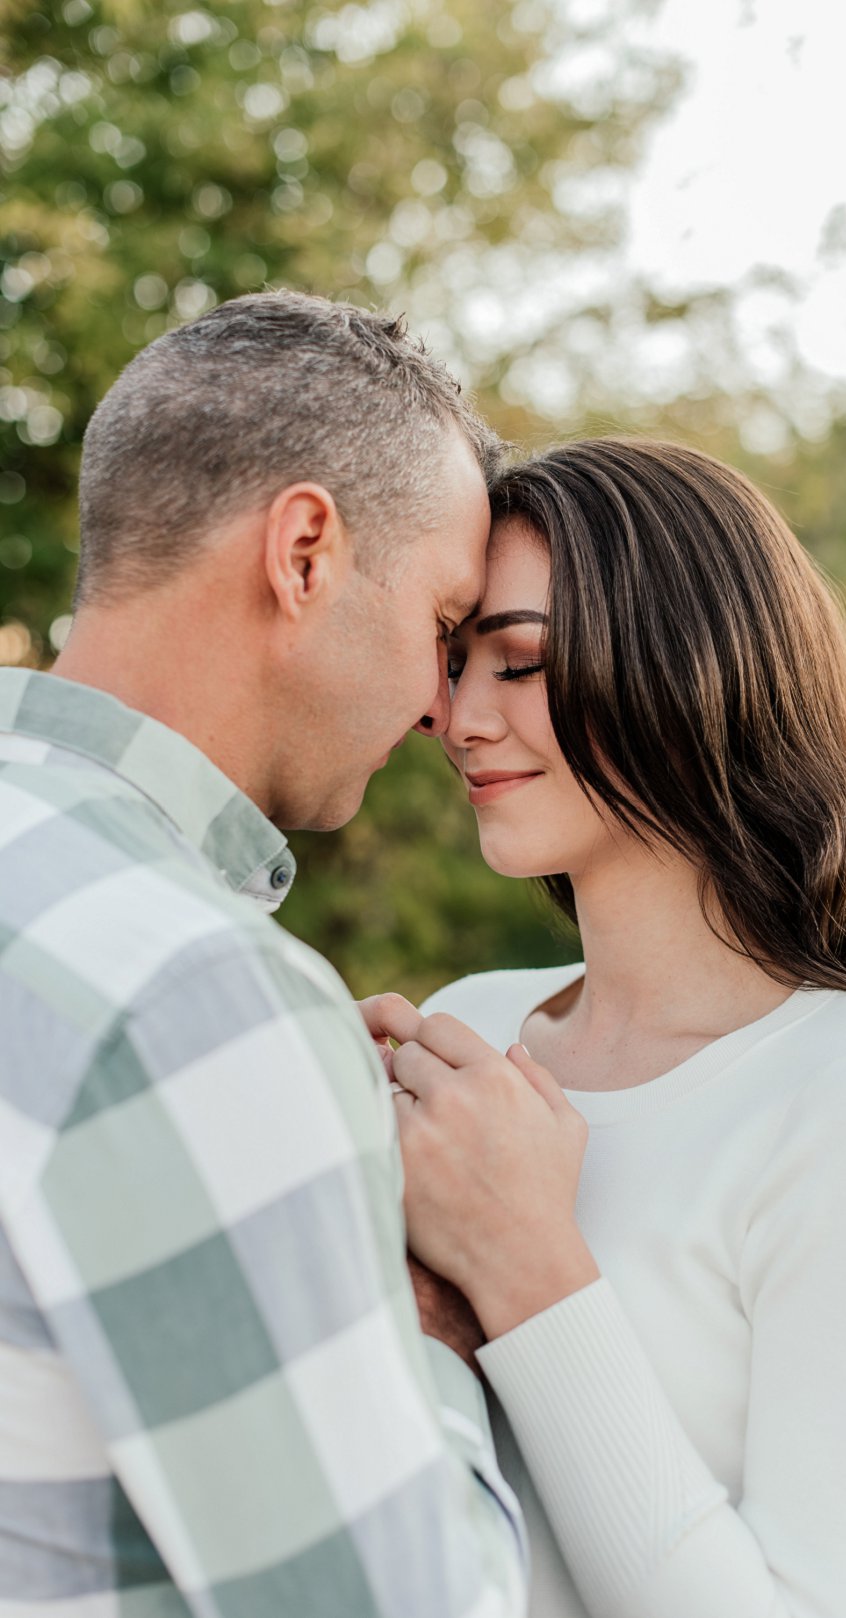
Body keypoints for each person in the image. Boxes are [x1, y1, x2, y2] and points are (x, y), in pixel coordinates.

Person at [364, 438, 846, 1618]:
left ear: (688, 673)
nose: (452, 714)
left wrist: (530, 1267)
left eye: (521, 661)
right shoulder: (467, 1027)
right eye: (453, 660)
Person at [0, 291, 532, 1615]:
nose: (438, 707)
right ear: (304, 551)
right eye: (444, 623)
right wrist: (434, 1334)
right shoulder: (197, 990)